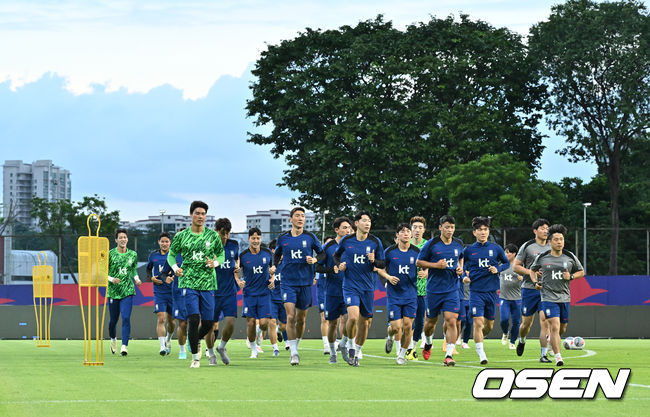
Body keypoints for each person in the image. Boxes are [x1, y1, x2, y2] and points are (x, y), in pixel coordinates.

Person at [167, 201, 225, 369]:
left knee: (208, 323)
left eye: (203, 214)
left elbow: (221, 255)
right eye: (197, 213)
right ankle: (195, 358)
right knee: (193, 319)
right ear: (191, 215)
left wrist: (214, 263)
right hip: (188, 282)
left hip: (208, 283)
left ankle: (196, 340)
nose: (200, 216)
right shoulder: (181, 236)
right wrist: (176, 268)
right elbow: (171, 256)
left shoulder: (212, 236)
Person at [273, 207, 324, 366]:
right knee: (290, 316)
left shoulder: (310, 237)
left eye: (302, 216)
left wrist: (315, 260)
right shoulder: (283, 238)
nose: (300, 218)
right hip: (288, 282)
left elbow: (322, 254)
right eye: (297, 216)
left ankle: (296, 344)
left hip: (305, 283)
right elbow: (276, 254)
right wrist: (275, 266)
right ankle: (293, 352)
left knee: (301, 319)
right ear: (291, 219)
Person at [334, 211, 385, 366]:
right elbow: (336, 256)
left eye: (369, 221)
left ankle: (355, 350)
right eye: (364, 220)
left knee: (365, 323)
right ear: (356, 224)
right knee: (353, 317)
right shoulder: (346, 240)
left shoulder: (375, 242)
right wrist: (339, 265)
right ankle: (349, 344)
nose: (367, 223)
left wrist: (374, 260)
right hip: (350, 286)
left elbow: (382, 264)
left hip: (369, 287)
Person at [530, 224, 584, 366]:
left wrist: (571, 276)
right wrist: (535, 281)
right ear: (550, 242)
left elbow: (581, 271)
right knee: (554, 325)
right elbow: (532, 270)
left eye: (561, 239)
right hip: (547, 297)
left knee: (562, 328)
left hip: (564, 297)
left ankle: (551, 340)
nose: (559, 242)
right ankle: (558, 357)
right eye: (556, 239)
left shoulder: (570, 256)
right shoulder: (542, 257)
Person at [416, 215, 464, 366]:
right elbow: (419, 262)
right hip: (434, 290)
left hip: (452, 289)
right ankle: (428, 342)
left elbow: (460, 258)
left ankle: (449, 355)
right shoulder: (432, 244)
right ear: (440, 228)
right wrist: (436, 265)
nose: (450, 230)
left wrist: (460, 268)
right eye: (447, 227)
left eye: (452, 227)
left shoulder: (458, 243)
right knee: (430, 323)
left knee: (451, 320)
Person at [462, 216, 509, 365]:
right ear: (474, 232)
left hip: (492, 291)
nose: (483, 232)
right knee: (478, 322)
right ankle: (481, 353)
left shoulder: (496, 248)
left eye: (485, 229)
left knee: (488, 325)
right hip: (476, 291)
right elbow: (462, 267)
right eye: (480, 230)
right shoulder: (468, 250)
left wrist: (498, 269)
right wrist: (464, 276)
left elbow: (507, 263)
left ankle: (479, 338)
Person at [379, 223, 419, 365]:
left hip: (411, 294)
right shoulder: (389, 252)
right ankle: (390, 337)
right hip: (394, 294)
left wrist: (424, 272)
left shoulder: (417, 252)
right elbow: (380, 269)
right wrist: (388, 278)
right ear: (397, 235)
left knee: (408, 326)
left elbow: (426, 268)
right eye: (403, 231)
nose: (406, 233)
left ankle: (401, 355)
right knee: (396, 327)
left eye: (408, 231)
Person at [513, 219, 552, 362]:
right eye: (542, 228)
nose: (545, 231)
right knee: (526, 324)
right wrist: (531, 272)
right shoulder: (528, 246)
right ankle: (522, 340)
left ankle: (543, 354)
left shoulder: (551, 246)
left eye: (547, 228)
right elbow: (516, 267)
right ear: (535, 231)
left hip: (546, 290)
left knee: (545, 321)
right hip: (529, 289)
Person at [316, 217, 353, 364]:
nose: (348, 230)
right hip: (332, 291)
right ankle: (332, 352)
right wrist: (332, 269)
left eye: (349, 228)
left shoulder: (353, 245)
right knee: (332, 323)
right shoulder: (328, 247)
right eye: (344, 228)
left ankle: (345, 344)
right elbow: (317, 266)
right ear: (337, 230)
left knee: (349, 319)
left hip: (350, 289)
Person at [237, 227, 275, 359]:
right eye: (253, 238)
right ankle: (253, 349)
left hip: (264, 293)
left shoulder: (267, 253)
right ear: (249, 239)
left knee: (264, 324)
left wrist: (273, 278)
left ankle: (256, 337)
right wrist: (238, 281)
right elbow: (236, 271)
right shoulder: (243, 255)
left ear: (261, 239)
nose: (255, 240)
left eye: (258, 238)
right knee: (251, 322)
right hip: (249, 294)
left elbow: (274, 269)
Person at [208, 218, 241, 366]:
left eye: (227, 233)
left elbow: (236, 259)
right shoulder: (208, 247)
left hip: (229, 291)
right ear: (216, 231)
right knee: (209, 325)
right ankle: (211, 353)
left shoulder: (234, 245)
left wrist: (237, 268)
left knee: (231, 322)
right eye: (222, 233)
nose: (225, 237)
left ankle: (221, 346)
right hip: (212, 292)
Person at [107, 228, 142, 356]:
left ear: (127, 239)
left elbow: (133, 270)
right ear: (116, 240)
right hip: (113, 291)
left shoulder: (133, 254)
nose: (123, 240)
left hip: (128, 290)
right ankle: (113, 339)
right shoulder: (110, 254)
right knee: (113, 321)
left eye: (125, 237)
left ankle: (124, 346)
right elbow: (102, 273)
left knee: (126, 318)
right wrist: (111, 279)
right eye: (120, 237)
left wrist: (137, 279)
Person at [146, 232, 176, 356]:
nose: (164, 244)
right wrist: (151, 278)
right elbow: (148, 269)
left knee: (172, 321)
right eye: (162, 241)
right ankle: (162, 347)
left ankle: (168, 338)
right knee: (161, 318)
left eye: (167, 242)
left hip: (173, 291)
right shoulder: (153, 255)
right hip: (159, 292)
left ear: (170, 243)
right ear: (159, 242)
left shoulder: (174, 256)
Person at [405, 216, 428, 360]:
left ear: (424, 230)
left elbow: (436, 263)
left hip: (422, 290)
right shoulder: (405, 244)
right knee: (407, 321)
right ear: (411, 230)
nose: (417, 230)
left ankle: (413, 345)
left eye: (420, 227)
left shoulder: (428, 245)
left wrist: (427, 271)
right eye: (415, 227)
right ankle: (405, 348)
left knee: (420, 321)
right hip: (407, 289)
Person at [498, 243, 522, 350]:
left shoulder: (519, 267)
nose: (505, 254)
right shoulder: (502, 266)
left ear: (514, 254)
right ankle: (505, 332)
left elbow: (528, 278)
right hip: (504, 298)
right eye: (505, 252)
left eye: (508, 252)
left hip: (517, 298)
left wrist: (522, 278)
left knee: (516, 321)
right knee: (504, 319)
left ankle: (512, 342)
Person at [268, 238, 287, 356]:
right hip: (271, 298)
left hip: (284, 299)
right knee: (272, 322)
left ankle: (279, 331)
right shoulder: (268, 265)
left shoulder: (286, 265)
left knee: (284, 325)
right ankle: (275, 349)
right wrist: (269, 279)